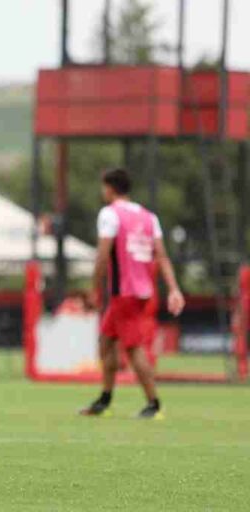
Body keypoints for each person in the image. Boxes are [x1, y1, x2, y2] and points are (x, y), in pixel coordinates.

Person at [80, 168, 185, 420]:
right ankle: (104, 400)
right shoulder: (149, 217)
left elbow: (103, 256)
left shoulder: (109, 214)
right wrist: (173, 289)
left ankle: (154, 404)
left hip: (123, 293)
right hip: (142, 291)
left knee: (133, 348)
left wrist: (94, 290)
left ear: (109, 188)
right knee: (106, 343)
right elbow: (161, 256)